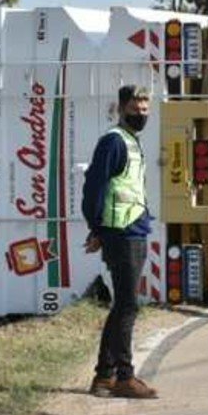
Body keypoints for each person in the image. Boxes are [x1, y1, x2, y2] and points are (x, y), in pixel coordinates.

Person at [81, 85, 158, 399]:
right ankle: (124, 376)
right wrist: (97, 229)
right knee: (127, 306)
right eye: (135, 109)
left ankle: (104, 376)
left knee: (122, 306)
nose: (141, 114)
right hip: (122, 233)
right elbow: (94, 188)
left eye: (145, 109)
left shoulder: (131, 140)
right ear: (122, 108)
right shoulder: (114, 141)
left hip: (133, 229)